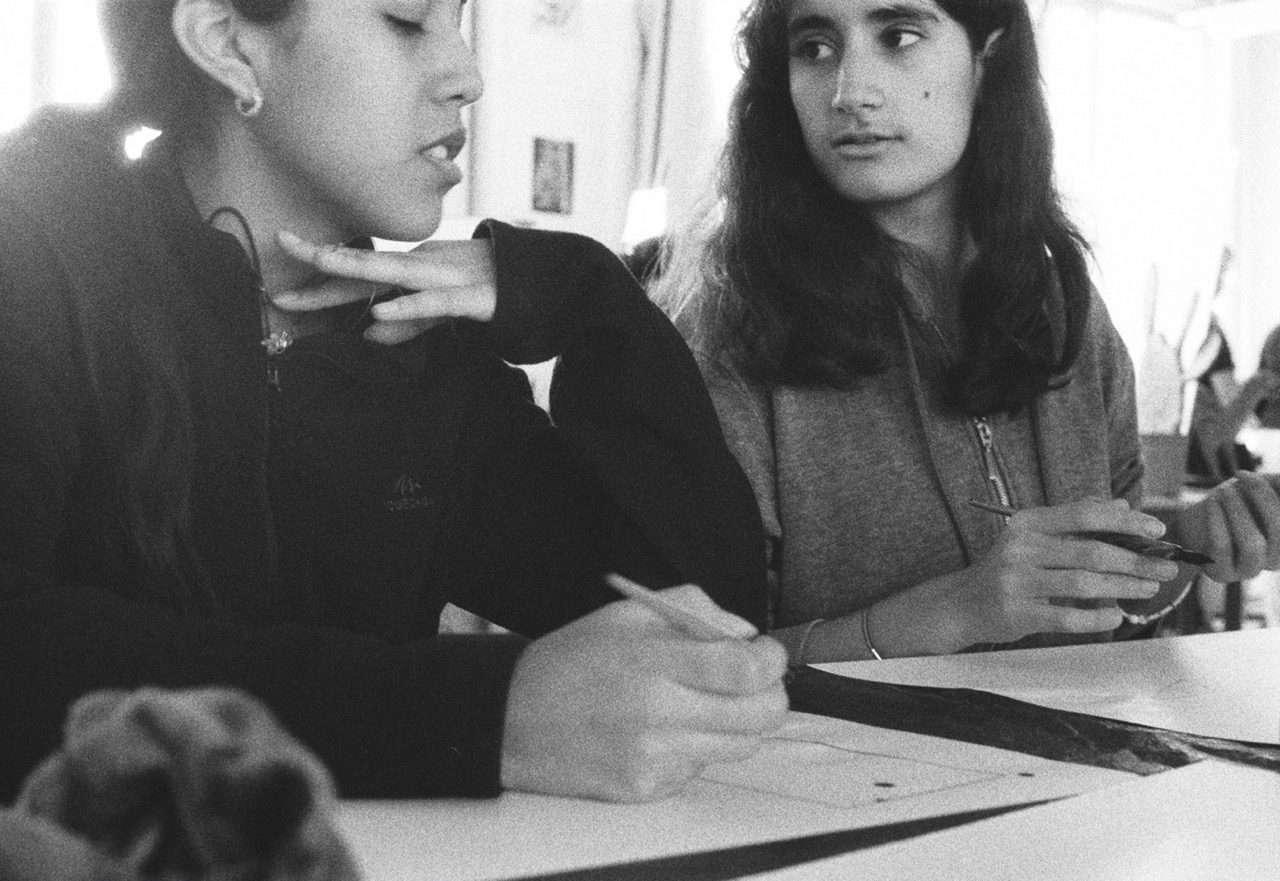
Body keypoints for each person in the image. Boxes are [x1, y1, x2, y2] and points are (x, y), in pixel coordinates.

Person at [0, 0, 789, 804]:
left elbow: (707, 630)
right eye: (407, 20)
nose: (467, 77)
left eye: (459, 20)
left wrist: (586, 300)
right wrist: (474, 716)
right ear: (228, 43)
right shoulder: (30, 254)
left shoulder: (419, 349)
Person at [652, 0, 1280, 662]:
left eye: (897, 36)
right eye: (814, 47)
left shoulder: (1063, 309)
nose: (848, 92)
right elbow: (692, 666)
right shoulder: (725, 331)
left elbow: (1107, 609)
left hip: (1074, 732)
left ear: (988, 58)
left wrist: (1193, 542)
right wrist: (957, 610)